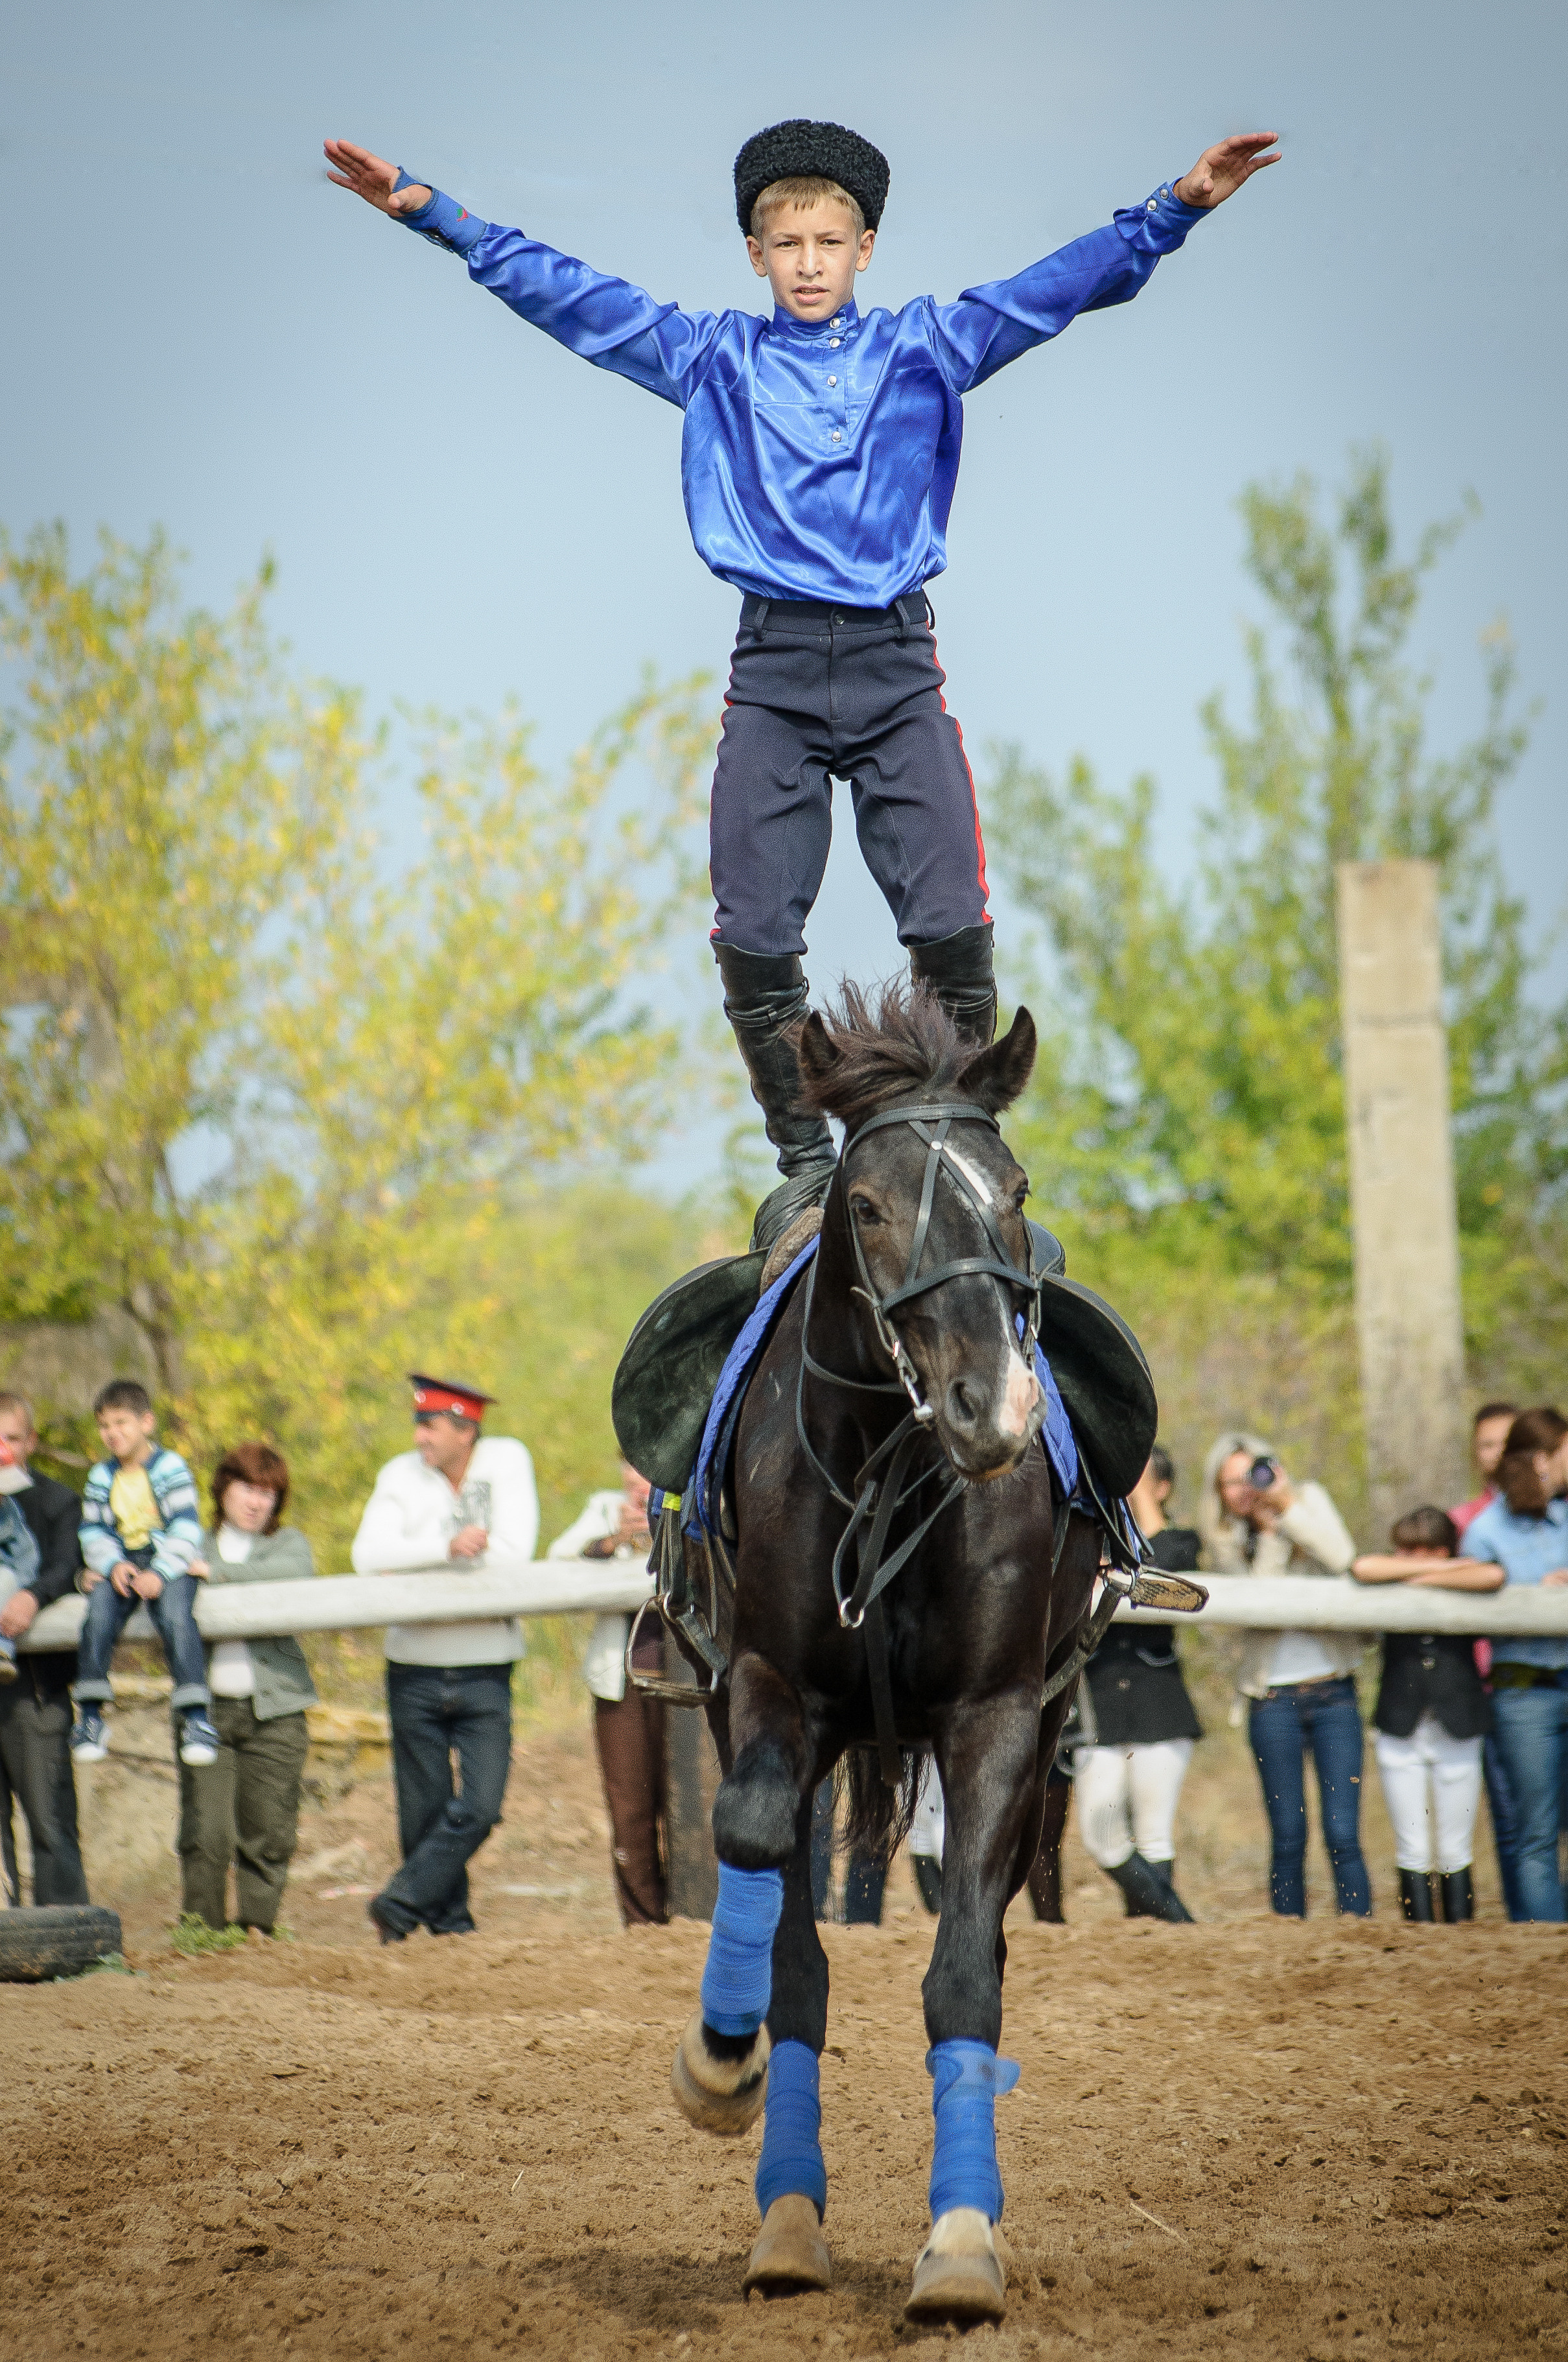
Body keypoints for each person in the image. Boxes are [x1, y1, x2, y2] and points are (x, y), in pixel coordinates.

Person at [322, 121, 1279, 1250]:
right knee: (754, 928)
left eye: (829, 240)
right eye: (787, 244)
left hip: (893, 668)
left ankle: (959, 1125)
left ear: (865, 247)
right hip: (772, 671)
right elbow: (569, 295)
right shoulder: (709, 357)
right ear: (754, 256)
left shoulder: (926, 346)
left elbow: (1053, 289)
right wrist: (433, 212)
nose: (810, 262)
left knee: (950, 919)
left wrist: (1174, 208)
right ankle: (801, 1164)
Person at [351, 1375, 539, 1941]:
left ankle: (401, 1899)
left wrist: (411, 1564)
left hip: (486, 1664)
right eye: (417, 1423)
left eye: (429, 1425)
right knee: (422, 1808)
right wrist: (444, 1549)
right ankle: (447, 1926)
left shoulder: (507, 1461)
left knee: (481, 1805)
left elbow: (513, 1555)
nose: (419, 1437)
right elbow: (367, 1555)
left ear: (465, 1429)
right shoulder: (397, 1473)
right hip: (413, 1664)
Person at [1199, 1432, 1372, 1918]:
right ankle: (1286, 1937)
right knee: (1287, 1834)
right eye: (1229, 1482)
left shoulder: (1309, 1499)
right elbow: (1260, 1606)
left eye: (1250, 1474)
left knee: (1343, 1832)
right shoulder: (1224, 1538)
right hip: (1271, 1697)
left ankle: (1359, 1932)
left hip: (1333, 1690)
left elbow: (1343, 1557)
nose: (1243, 1489)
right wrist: (1271, 1537)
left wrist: (1288, 1509)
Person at [177, 1444, 318, 1935]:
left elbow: (295, 1574)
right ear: (224, 1489)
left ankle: (258, 1930)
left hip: (276, 1709)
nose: (258, 1503)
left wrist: (216, 1576)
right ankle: (200, 1934)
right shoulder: (192, 1540)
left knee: (270, 1830)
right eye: (248, 1489)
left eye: (269, 1494)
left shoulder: (288, 1544)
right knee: (206, 1832)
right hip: (205, 1709)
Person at [1352, 1506, 1503, 1923]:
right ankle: (1418, 1935)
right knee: (1411, 1844)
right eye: (1400, 1552)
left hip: (1459, 1720)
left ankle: (1460, 1933)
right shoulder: (1389, 1578)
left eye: (1413, 1551)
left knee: (1456, 1845)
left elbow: (1493, 1575)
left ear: (1440, 1551)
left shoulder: (1469, 1575)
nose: (1402, 1559)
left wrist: (1426, 1580)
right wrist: (1415, 1576)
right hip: (1401, 1722)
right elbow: (1362, 1567)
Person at [1073, 1447, 1203, 1922]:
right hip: (1099, 1706)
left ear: (1163, 1487)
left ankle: (1151, 1936)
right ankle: (1178, 1922)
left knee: (1153, 1833)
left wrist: (1142, 1500)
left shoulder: (1183, 1539)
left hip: (1158, 1703)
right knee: (1099, 1832)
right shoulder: (1091, 1536)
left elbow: (1166, 1568)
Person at [72, 1380, 218, 1769]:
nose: (113, 1434)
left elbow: (187, 1528)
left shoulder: (169, 1467)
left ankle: (196, 1717)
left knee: (175, 1617)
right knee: (99, 1615)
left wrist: (162, 1570)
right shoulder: (101, 1477)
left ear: (146, 1423)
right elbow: (93, 1530)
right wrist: (110, 1565)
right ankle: (89, 1715)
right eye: (105, 1426)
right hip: (123, 1560)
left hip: (168, 1555)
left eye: (122, 1423)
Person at [1459, 1408, 1568, 1923]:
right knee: (1535, 1832)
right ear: (1541, 1460)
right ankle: (1544, 1949)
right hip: (1525, 1693)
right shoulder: (1484, 1532)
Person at [546, 1463, 666, 1926]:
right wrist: (612, 1540)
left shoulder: (692, 1499)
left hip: (688, 1679)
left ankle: (692, 1915)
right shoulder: (602, 1509)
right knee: (630, 1806)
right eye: (629, 1469)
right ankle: (642, 1923)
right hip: (622, 1682)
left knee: (685, 1804)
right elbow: (559, 1559)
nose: (637, 1481)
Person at [0, 1396, 91, 1906]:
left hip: (37, 1688)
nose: (2, 1450)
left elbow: (65, 1564)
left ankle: (69, 1943)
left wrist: (32, 1595)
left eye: (11, 1437)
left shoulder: (58, 1501)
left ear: (31, 1441)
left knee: (50, 1820)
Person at [1451, 1400, 1527, 1920]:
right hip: (1490, 1684)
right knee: (1512, 1823)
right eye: (1485, 1444)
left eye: (1506, 1441)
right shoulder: (1464, 1522)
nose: (1496, 1453)